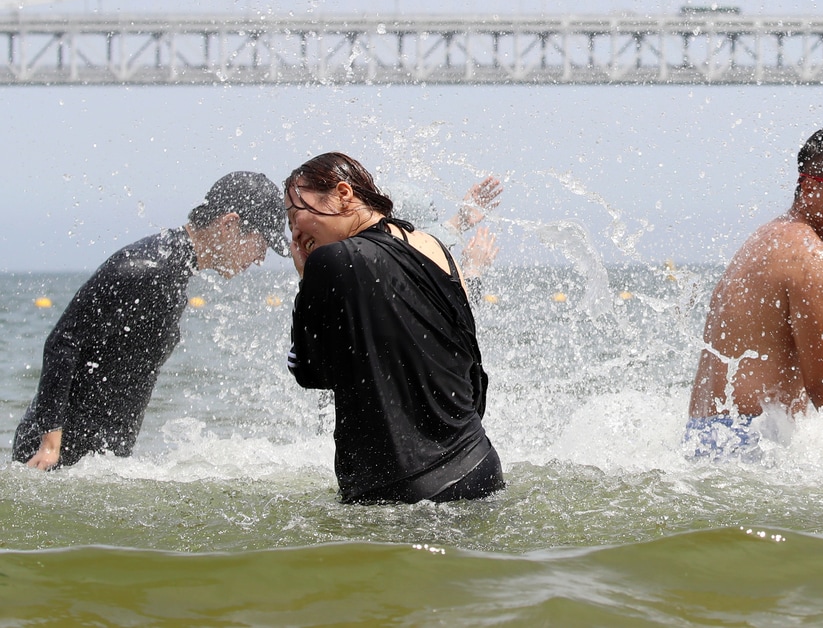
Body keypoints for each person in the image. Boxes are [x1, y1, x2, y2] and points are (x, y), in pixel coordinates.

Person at [11, 172, 288, 469]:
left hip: (96, 463)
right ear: (229, 224)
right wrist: (50, 444)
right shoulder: (145, 268)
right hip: (56, 458)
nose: (260, 258)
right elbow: (63, 342)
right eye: (262, 243)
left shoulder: (174, 269)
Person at [284, 152, 503, 503]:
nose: (294, 233)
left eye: (295, 214)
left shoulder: (332, 261)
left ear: (343, 194)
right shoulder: (435, 248)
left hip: (399, 491)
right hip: (479, 466)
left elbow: (310, 372)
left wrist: (305, 279)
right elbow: (471, 372)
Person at [687, 122, 823, 456]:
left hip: (705, 438)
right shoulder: (811, 257)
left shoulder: (769, 237)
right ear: (808, 185)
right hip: (751, 444)